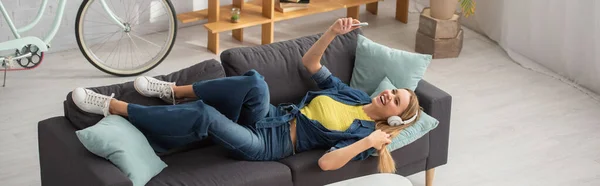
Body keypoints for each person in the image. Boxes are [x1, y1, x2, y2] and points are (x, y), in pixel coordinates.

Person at [71, 18, 421, 173]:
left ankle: (116, 107)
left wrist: (370, 141)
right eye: (393, 90)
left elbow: (326, 162)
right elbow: (309, 62)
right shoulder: (352, 94)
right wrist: (332, 31)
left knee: (206, 116)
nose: (389, 94)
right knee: (255, 81)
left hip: (268, 145)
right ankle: (173, 92)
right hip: (272, 116)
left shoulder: (365, 136)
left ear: (394, 117)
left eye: (396, 100)